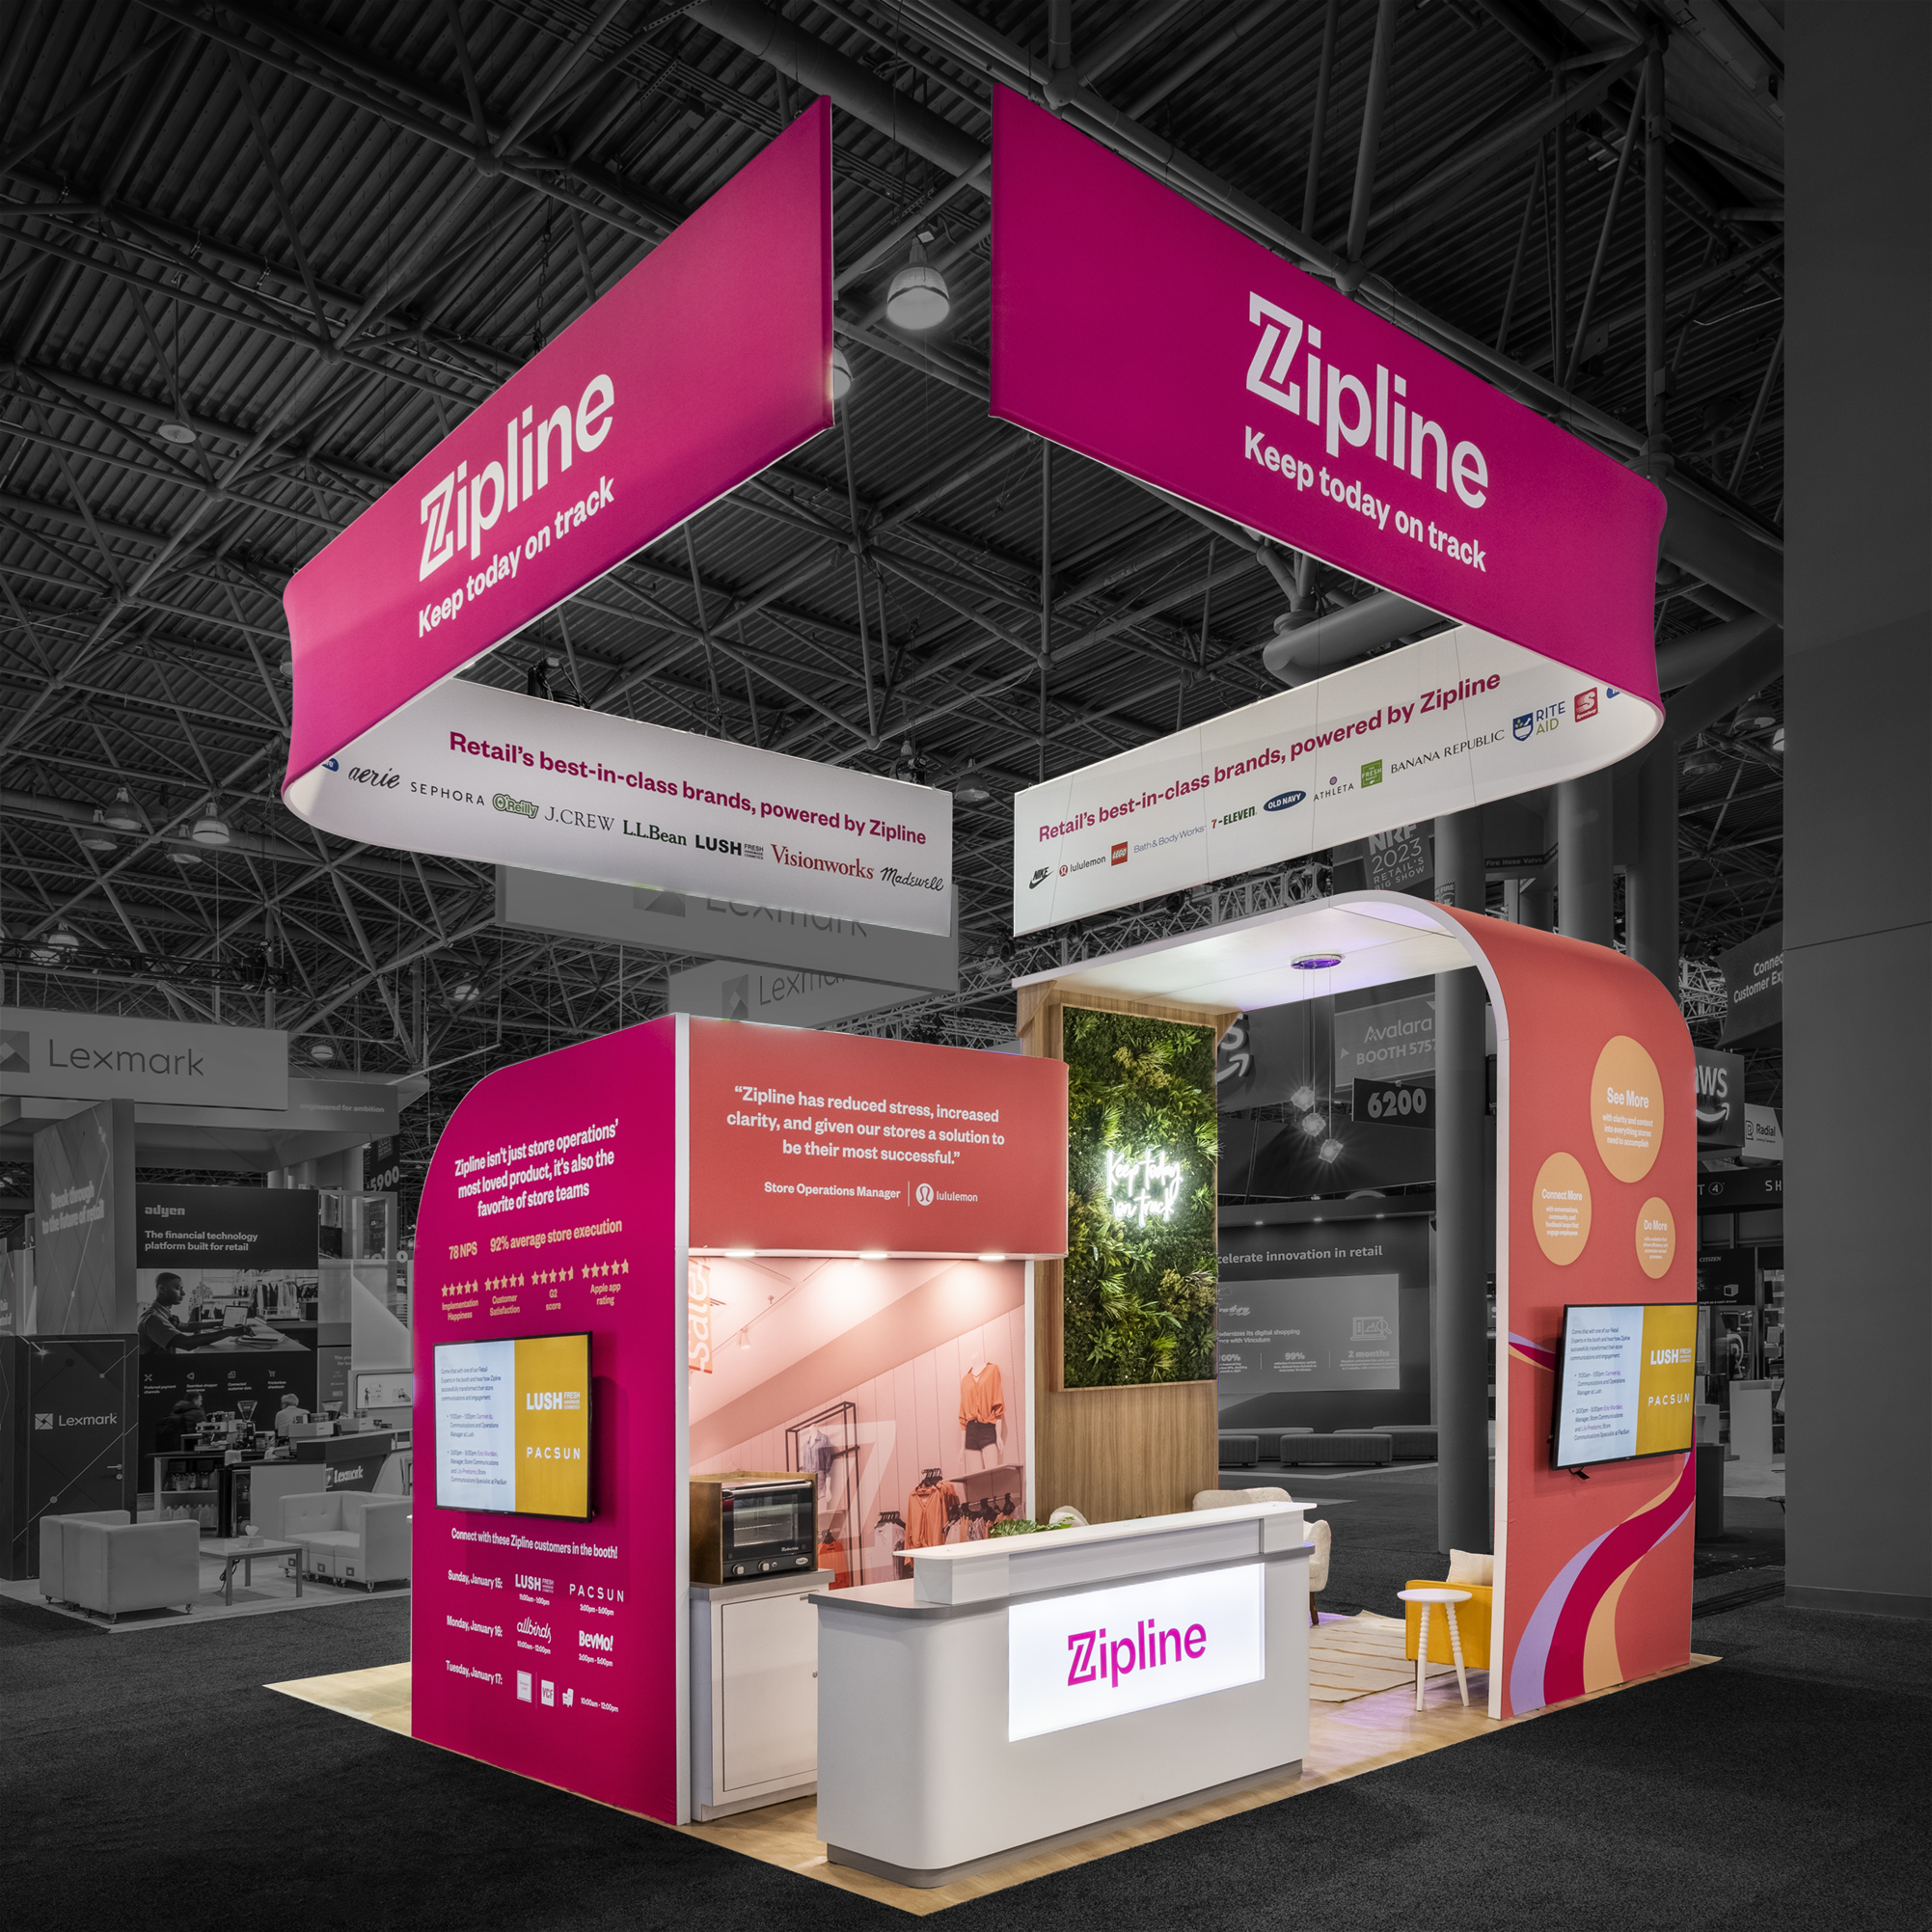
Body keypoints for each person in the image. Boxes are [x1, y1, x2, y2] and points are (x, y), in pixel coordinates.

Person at [139, 1274, 200, 1355]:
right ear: (162, 1289)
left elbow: (185, 1326)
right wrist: (223, 1333)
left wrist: (219, 1323)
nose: (183, 1293)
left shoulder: (162, 1312)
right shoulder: (154, 1317)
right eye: (178, 1288)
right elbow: (187, 1343)